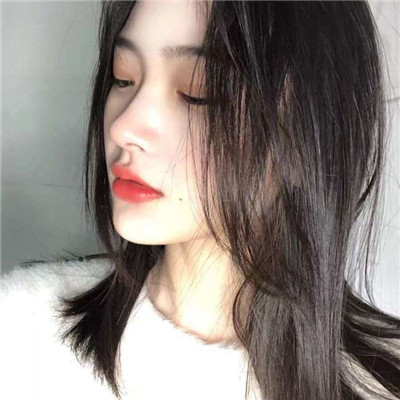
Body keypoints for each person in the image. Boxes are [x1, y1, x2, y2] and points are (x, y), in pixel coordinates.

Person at [1, 1, 400, 399]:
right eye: (123, 78)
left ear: (308, 140)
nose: (123, 128)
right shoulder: (21, 333)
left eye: (197, 91)